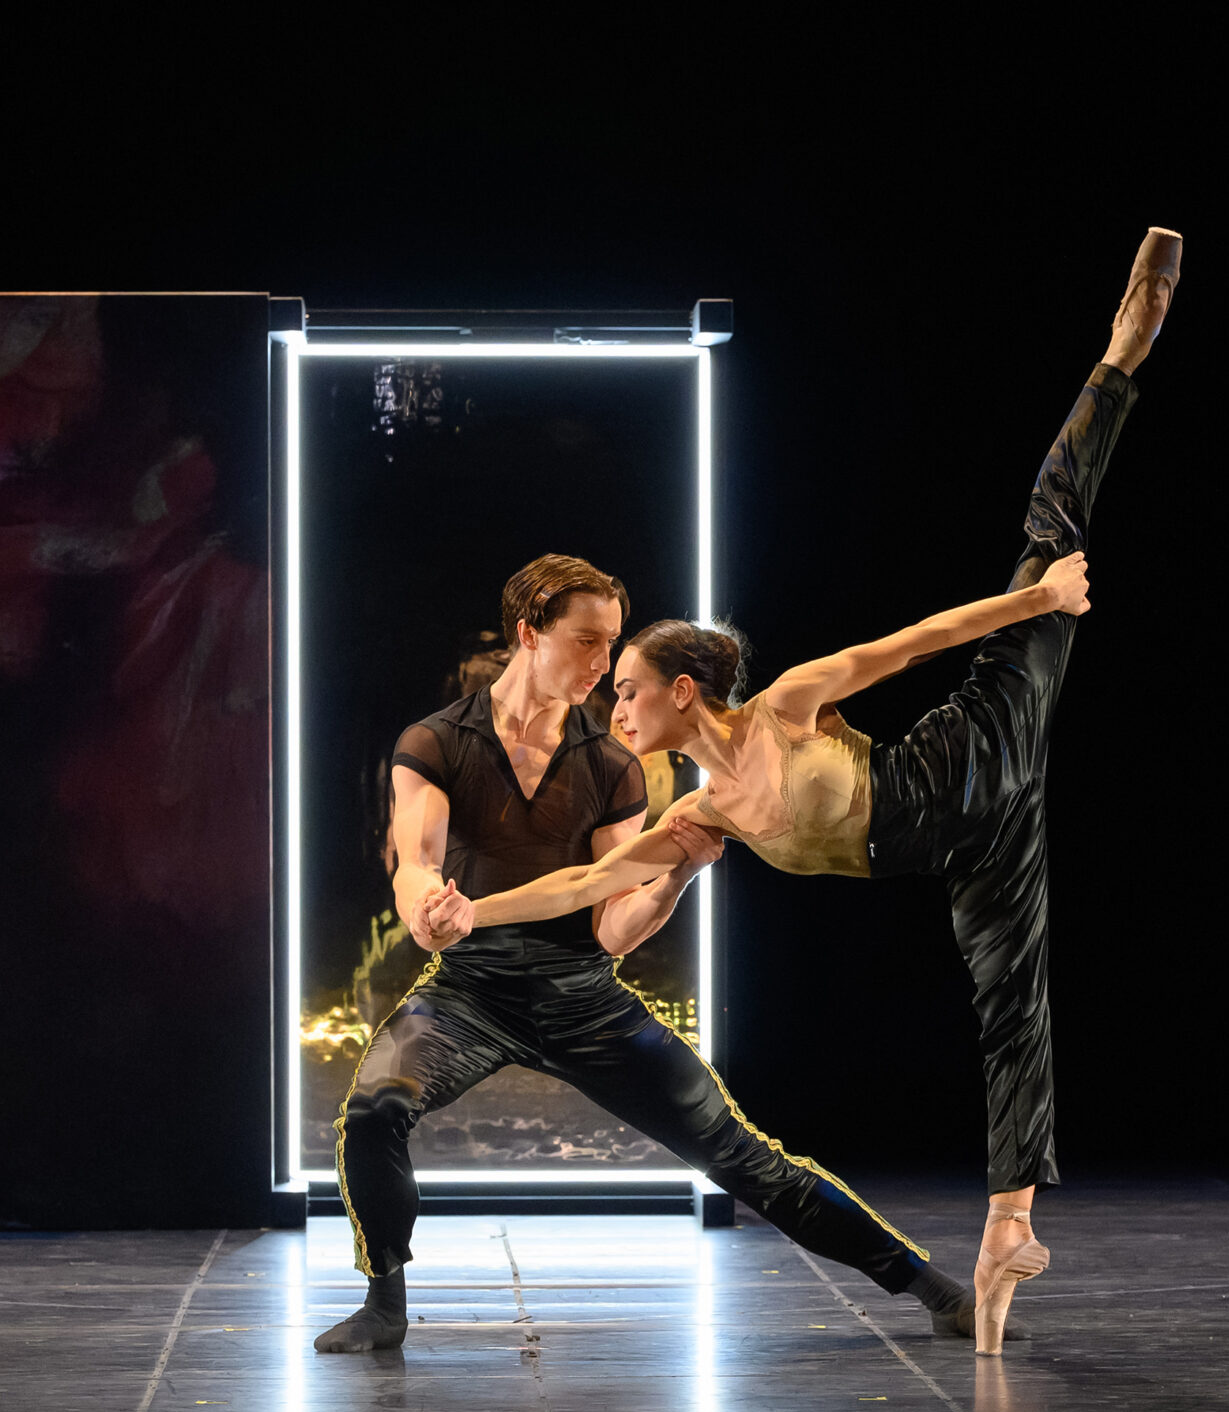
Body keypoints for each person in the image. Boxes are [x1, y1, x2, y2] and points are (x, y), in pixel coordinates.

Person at [437, 228, 1182, 1353]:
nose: (614, 711)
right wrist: (475, 912)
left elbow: (917, 639)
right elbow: (587, 887)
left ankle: (1121, 353)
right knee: (1011, 1008)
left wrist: (1038, 605)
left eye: (627, 693)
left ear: (683, 691)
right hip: (966, 845)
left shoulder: (784, 707)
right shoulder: (698, 815)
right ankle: (1009, 1228)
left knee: (1047, 538)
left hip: (970, 754)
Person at [315, 553, 984, 1353]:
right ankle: (384, 1301)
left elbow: (609, 927)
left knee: (741, 1154)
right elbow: (415, 860)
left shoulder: (611, 764)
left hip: (584, 997)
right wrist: (426, 906)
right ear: (528, 634)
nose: (603, 663)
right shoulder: (436, 741)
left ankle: (931, 1287)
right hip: (469, 992)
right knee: (375, 1108)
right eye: (586, 641)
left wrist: (677, 878)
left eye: (613, 644)